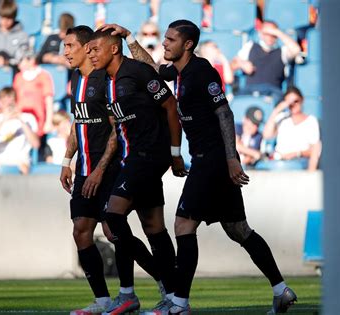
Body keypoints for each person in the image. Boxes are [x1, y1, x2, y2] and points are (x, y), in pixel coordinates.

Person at [102, 20, 297, 314]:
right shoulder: (176, 71)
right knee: (238, 229)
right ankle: (281, 290)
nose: (165, 43)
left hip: (213, 160)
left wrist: (232, 159)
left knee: (183, 224)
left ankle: (179, 301)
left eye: (170, 40)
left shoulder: (202, 71)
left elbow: (225, 113)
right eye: (165, 38)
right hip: (208, 158)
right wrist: (130, 38)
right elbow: (151, 68)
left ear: (188, 44)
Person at [61, 26, 170, 314]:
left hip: (109, 166)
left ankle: (161, 282)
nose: (65, 51)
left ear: (87, 47)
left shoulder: (106, 75)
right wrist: (66, 160)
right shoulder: (75, 79)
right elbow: (77, 122)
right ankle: (102, 300)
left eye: (69, 45)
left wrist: (100, 170)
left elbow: (116, 126)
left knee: (113, 230)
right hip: (84, 166)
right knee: (81, 231)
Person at [88, 28, 185, 314]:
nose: (91, 54)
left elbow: (170, 106)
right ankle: (173, 293)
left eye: (95, 49)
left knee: (112, 216)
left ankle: (160, 279)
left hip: (149, 156)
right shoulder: (105, 82)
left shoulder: (138, 72)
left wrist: (175, 153)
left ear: (113, 49)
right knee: (154, 227)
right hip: (131, 158)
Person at [231, 21, 301, 103]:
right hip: (250, 93)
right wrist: (242, 64)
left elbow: (296, 50)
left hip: (272, 94)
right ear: (261, 34)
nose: (270, 37)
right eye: (267, 33)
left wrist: (277, 32)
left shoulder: (283, 52)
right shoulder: (250, 46)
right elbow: (232, 65)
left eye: (273, 34)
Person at [263, 86, 321, 171]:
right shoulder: (282, 118)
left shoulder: (311, 121)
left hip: (299, 162)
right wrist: (276, 111)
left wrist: (296, 154)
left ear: (302, 100)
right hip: (279, 162)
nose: (293, 105)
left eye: (295, 101)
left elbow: (315, 150)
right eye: (289, 103)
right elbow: (267, 135)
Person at [0, 87, 40, 174]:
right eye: (5, 102)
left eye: (12, 102)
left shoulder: (28, 118)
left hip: (21, 164)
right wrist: (3, 121)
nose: (9, 105)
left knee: (24, 168)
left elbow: (36, 144)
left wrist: (21, 120)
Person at [13, 51, 54, 151]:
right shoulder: (18, 77)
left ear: (31, 60)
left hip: (38, 118)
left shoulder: (43, 75)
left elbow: (48, 99)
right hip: (21, 118)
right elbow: (15, 99)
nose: (19, 65)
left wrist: (48, 121)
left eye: (21, 61)